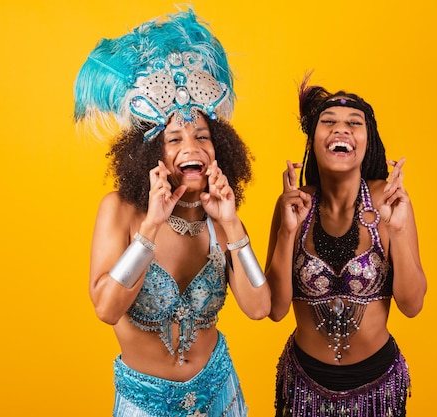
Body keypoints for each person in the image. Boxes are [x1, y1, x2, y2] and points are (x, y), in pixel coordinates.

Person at [73, 9, 271, 417]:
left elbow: (259, 307)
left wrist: (231, 222)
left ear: (220, 149)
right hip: (143, 404)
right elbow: (107, 308)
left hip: (220, 394)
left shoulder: (222, 218)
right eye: (174, 138)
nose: (192, 146)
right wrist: (150, 227)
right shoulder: (121, 210)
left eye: (202, 136)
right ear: (151, 153)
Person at [265, 77, 427, 417]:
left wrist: (397, 230)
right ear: (313, 141)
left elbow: (411, 305)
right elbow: (276, 310)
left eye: (354, 123)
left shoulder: (389, 201)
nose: (342, 129)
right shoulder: (294, 204)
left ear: (369, 142)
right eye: (329, 123)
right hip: (304, 387)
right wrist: (286, 233)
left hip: (377, 387)